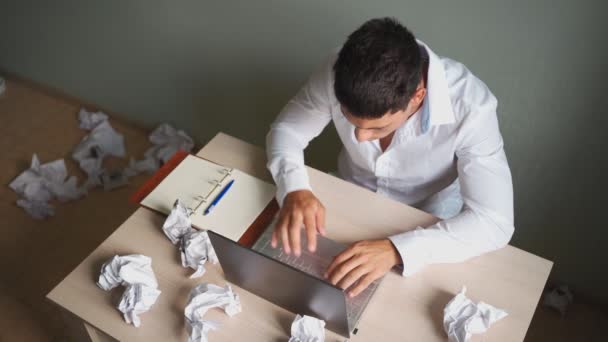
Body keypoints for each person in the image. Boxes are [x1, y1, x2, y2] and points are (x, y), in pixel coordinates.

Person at [266, 17, 514, 298]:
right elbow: (287, 130)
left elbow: (495, 222)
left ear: (417, 98)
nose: (359, 137)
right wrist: (295, 188)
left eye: (377, 127)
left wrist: (397, 249)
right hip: (350, 194)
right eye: (351, 121)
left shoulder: (473, 108)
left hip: (428, 220)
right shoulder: (338, 69)